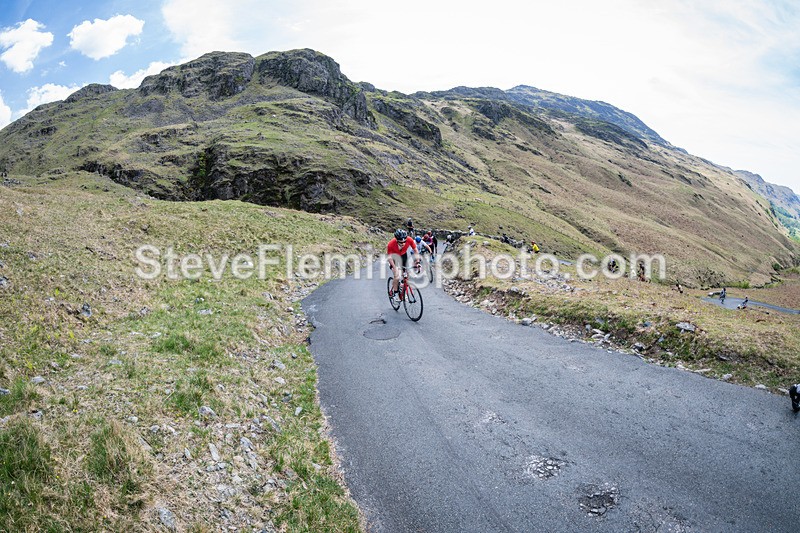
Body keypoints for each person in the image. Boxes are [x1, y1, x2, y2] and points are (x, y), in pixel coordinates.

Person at [387, 229, 419, 298]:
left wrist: (417, 262)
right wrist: (394, 267)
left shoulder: (409, 239)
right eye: (401, 242)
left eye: (404, 242)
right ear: (397, 240)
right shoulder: (391, 244)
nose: (403, 244)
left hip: (403, 255)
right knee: (397, 276)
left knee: (407, 273)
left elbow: (415, 250)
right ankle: (395, 293)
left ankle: (402, 286)